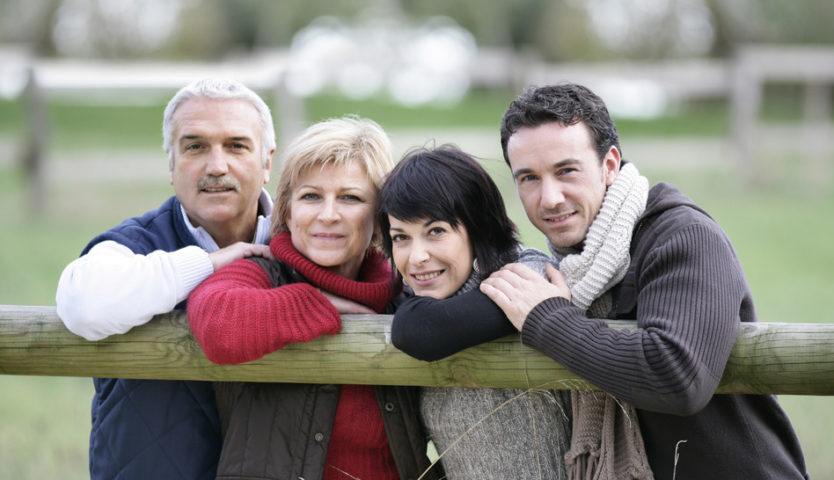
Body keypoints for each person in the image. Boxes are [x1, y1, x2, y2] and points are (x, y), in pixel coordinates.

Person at [467, 83, 807, 479]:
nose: (550, 198)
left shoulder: (683, 235)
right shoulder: (564, 267)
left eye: (566, 171)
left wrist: (547, 319)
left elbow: (677, 376)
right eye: (528, 178)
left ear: (609, 165)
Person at [186, 116, 441, 480]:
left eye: (351, 198)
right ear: (287, 210)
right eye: (311, 196)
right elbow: (217, 324)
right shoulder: (261, 271)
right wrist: (316, 303)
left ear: (381, 214)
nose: (328, 215)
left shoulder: (403, 292)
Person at [55, 78, 276, 479]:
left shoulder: (306, 244)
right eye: (195, 146)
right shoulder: (134, 243)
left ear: (266, 162)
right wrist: (207, 264)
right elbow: (82, 304)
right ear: (171, 165)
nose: (217, 166)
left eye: (236, 146)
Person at [378, 145, 571, 479]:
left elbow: (419, 331)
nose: (416, 257)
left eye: (435, 231)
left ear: (477, 228)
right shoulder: (417, 297)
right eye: (401, 237)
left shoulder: (531, 273)